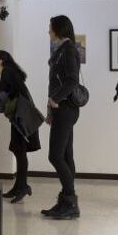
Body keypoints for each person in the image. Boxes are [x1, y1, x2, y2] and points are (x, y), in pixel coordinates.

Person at [41, 15, 81, 219]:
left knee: (55, 156)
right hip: (63, 110)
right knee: (65, 156)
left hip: (65, 109)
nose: (48, 31)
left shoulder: (68, 50)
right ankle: (66, 201)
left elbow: (72, 80)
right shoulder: (64, 49)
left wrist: (55, 99)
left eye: (50, 28)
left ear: (58, 29)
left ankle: (70, 200)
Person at [0, 50, 41, 204]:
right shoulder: (10, 72)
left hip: (21, 117)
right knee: (18, 150)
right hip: (20, 117)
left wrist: (1, 100)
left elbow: (13, 93)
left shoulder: (7, 72)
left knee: (20, 150)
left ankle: (23, 186)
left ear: (0, 62)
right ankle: (19, 186)